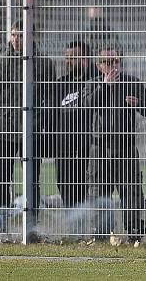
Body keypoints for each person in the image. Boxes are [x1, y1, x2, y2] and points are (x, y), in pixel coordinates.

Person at [0, 20, 56, 233]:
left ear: (30, 37)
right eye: (13, 35)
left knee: (32, 179)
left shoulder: (44, 64)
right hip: (5, 130)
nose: (16, 39)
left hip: (32, 132)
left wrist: (45, 128)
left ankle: (31, 225)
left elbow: (49, 100)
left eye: (21, 35)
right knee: (2, 179)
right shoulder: (0, 63)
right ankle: (3, 225)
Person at [86, 44, 146, 242]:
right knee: (99, 193)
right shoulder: (93, 84)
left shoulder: (132, 82)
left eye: (115, 61)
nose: (113, 65)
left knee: (131, 193)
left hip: (126, 148)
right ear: (99, 66)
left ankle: (134, 235)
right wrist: (105, 86)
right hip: (100, 149)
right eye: (107, 62)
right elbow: (86, 107)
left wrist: (139, 104)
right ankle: (101, 235)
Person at [50, 40, 95, 210]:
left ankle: (88, 230)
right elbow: (53, 115)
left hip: (88, 148)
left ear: (85, 59)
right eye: (67, 57)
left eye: (73, 57)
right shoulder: (61, 84)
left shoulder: (95, 82)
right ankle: (73, 230)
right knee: (65, 188)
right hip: (64, 149)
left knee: (88, 190)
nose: (68, 61)